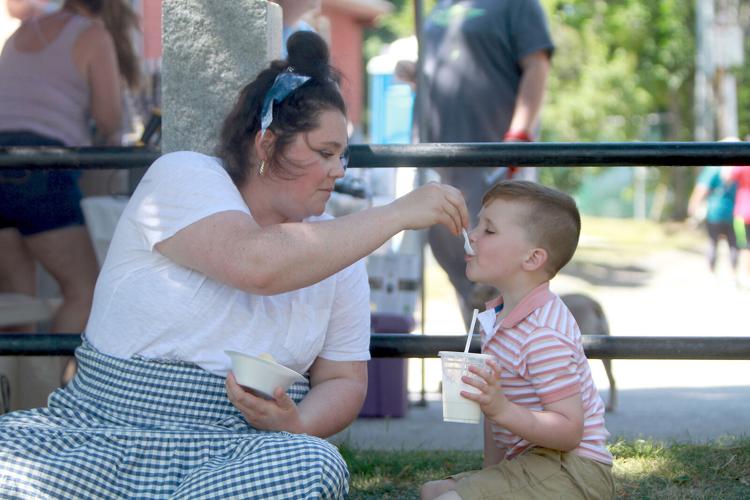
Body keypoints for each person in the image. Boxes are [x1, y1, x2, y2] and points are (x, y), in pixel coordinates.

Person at [0, 31, 470, 497]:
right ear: (267, 145)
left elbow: (344, 380)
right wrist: (396, 214)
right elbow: (255, 264)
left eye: (342, 156)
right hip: (103, 435)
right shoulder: (184, 175)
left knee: (315, 464)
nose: (339, 170)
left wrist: (298, 421)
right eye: (325, 153)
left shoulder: (337, 247)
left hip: (235, 455)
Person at [421, 180, 614, 499]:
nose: (472, 235)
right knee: (432, 491)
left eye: (490, 230)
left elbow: (569, 430)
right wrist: (488, 478)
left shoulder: (542, 333)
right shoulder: (499, 318)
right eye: (478, 224)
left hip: (574, 470)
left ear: (532, 259)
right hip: (533, 463)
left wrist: (501, 409)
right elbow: (496, 421)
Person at [418, 0, 554, 326]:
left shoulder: (517, 6)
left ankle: (520, 368)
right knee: (466, 280)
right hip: (443, 165)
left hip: (493, 165)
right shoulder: (440, 7)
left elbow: (537, 66)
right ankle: (479, 366)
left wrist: (517, 138)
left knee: (503, 278)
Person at [688, 165, 738, 277]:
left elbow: (701, 189)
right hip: (733, 212)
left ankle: (711, 272)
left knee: (713, 242)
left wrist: (693, 208)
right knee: (733, 244)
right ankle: (733, 274)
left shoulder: (712, 169)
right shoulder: (736, 168)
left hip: (715, 212)